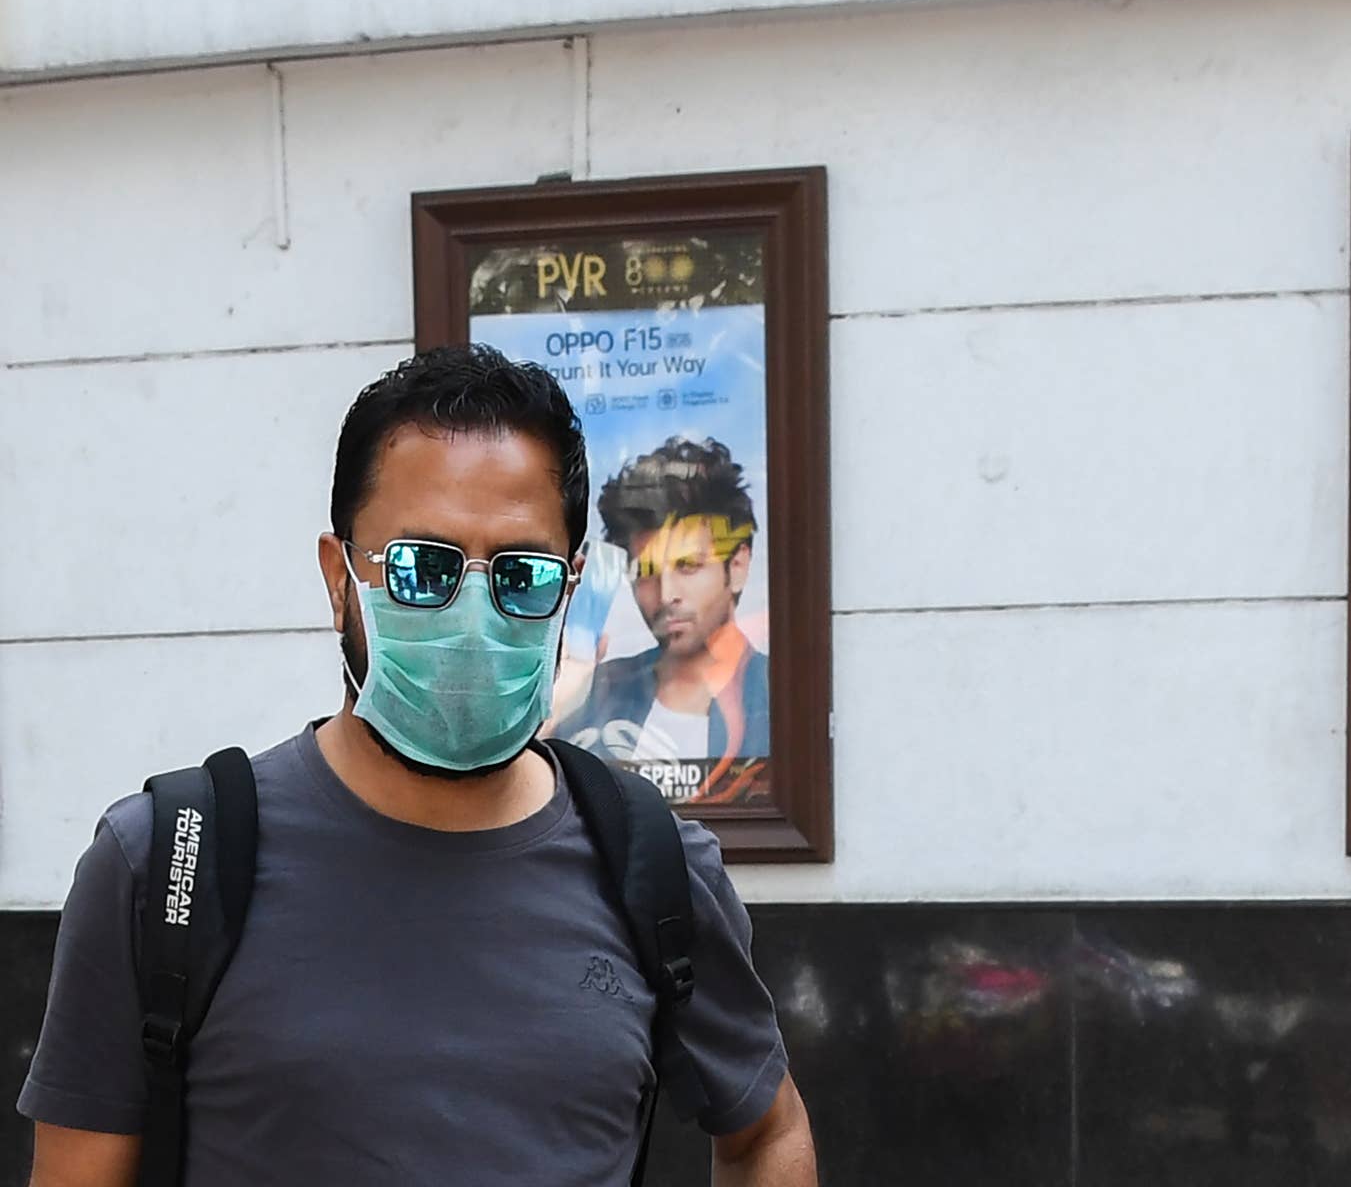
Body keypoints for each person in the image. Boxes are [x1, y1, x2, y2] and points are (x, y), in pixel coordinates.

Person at [18, 347, 816, 1185]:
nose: (473, 616)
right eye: (422, 568)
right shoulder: (165, 864)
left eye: (521, 574)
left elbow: (767, 1132)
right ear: (341, 579)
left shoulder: (655, 871)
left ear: (569, 589)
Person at [556, 438, 771, 805]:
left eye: (688, 566)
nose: (667, 592)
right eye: (647, 572)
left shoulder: (779, 698)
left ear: (737, 567)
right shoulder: (596, 692)